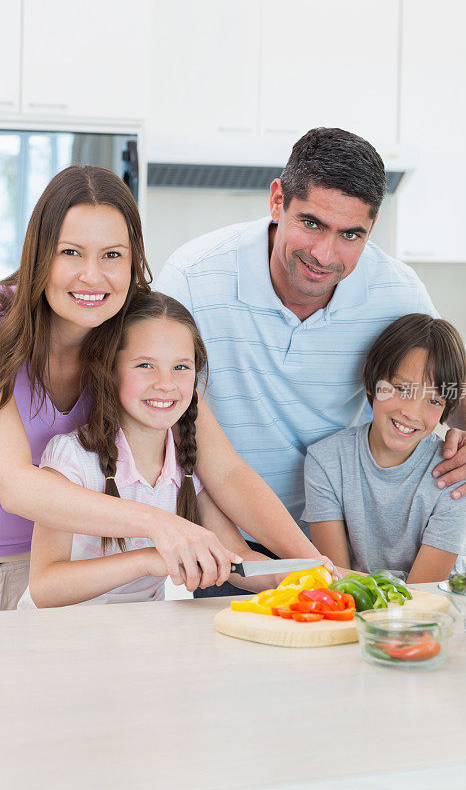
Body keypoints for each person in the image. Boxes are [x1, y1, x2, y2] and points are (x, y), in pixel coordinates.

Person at [155, 128, 466, 596]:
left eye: (351, 234)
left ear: (371, 229)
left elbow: (460, 374)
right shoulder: (193, 277)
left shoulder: (394, 287)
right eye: (311, 223)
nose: (325, 254)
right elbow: (176, 428)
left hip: (342, 548)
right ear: (277, 200)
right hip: (233, 543)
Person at [0, 165, 325, 610]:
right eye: (71, 252)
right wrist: (158, 526)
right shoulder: (3, 331)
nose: (92, 277)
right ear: (39, 254)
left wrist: (317, 567)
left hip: (78, 567)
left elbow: (225, 471)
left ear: (134, 259)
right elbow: (16, 486)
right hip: (40, 573)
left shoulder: (137, 333)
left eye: (112, 255)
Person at [19, 292, 294, 608]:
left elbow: (238, 559)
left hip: (140, 638)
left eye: (181, 367)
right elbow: (45, 586)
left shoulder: (186, 464)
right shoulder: (72, 457)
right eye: (146, 365)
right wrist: (148, 559)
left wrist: (291, 575)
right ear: (110, 369)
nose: (166, 383)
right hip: (59, 640)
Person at [302, 314, 466, 583]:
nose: (411, 413)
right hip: (354, 612)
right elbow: (335, 579)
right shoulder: (326, 461)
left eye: (433, 401)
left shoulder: (455, 475)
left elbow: (422, 597)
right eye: (401, 389)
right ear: (371, 380)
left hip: (433, 617)